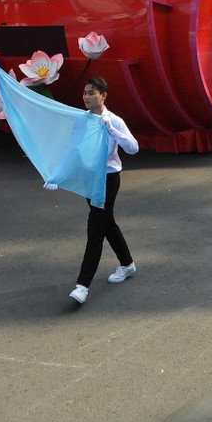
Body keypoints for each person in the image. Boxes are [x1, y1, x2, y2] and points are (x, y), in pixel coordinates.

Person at [67, 77, 139, 305]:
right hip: (90, 178)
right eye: (85, 93)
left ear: (103, 96)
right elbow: (72, 148)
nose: (86, 97)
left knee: (95, 229)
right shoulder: (81, 120)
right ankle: (127, 264)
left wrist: (113, 131)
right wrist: (58, 176)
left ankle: (82, 286)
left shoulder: (114, 120)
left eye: (91, 93)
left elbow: (133, 148)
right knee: (107, 223)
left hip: (108, 179)